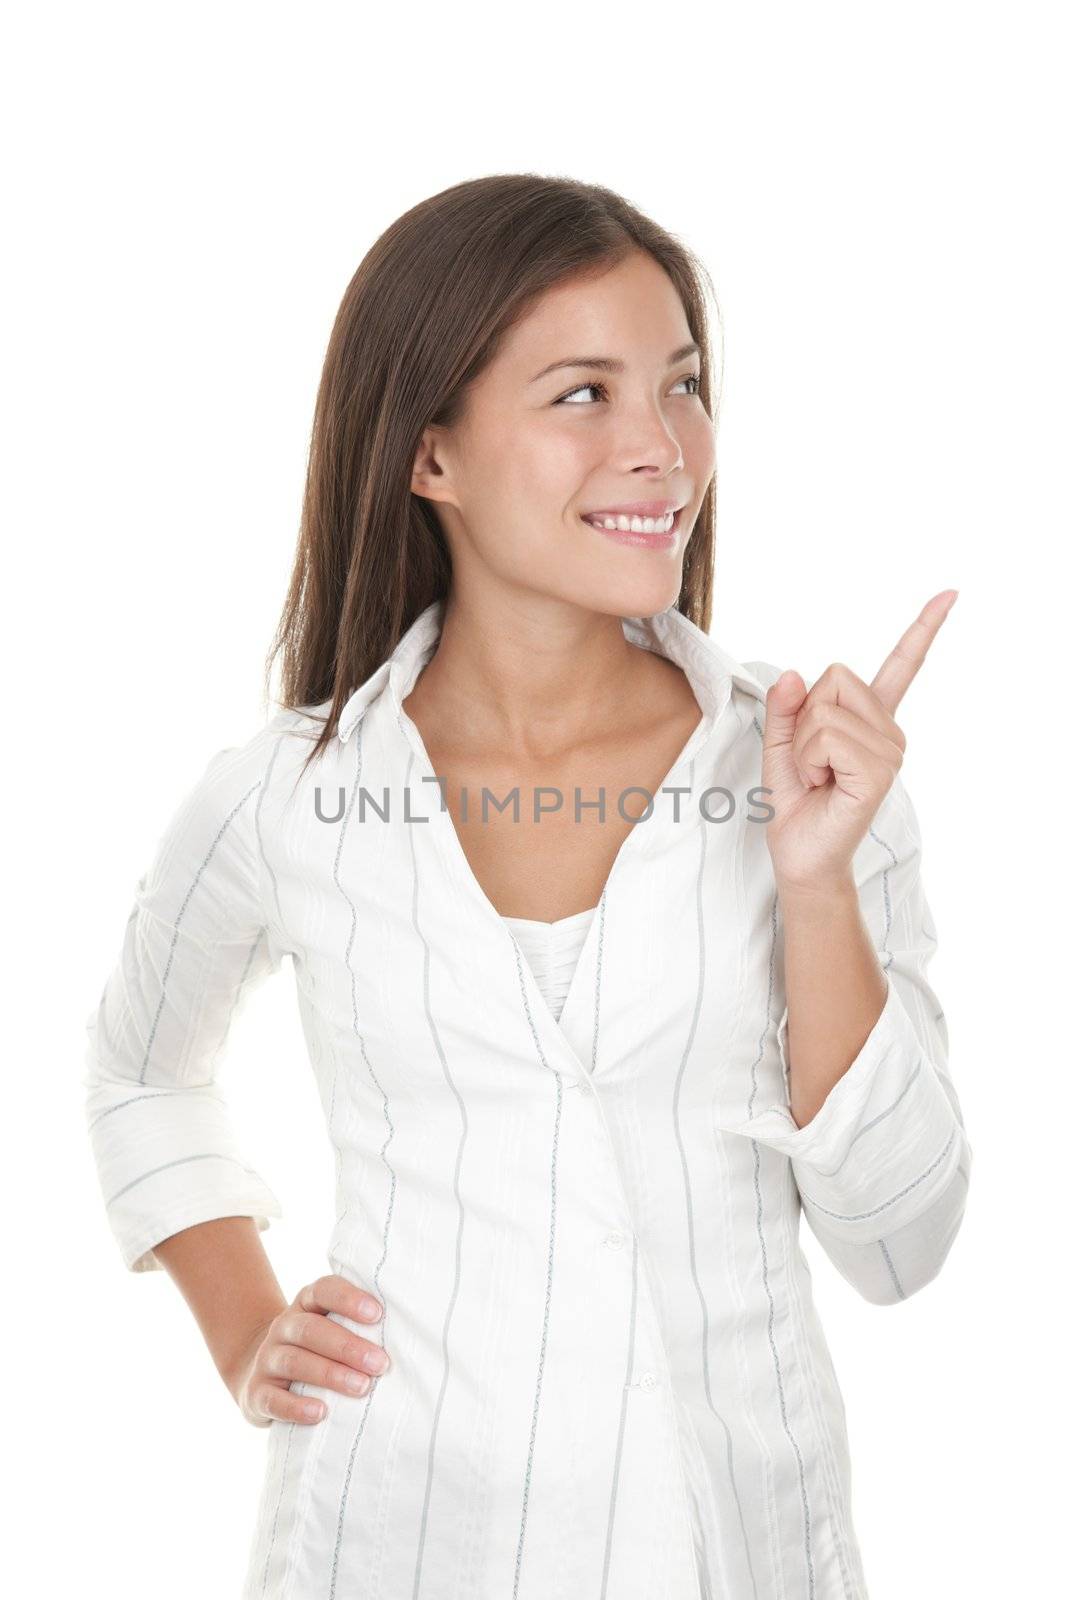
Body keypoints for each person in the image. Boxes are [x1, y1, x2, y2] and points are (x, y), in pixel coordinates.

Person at [83, 174, 972, 1600]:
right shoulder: (289, 795)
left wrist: (813, 886)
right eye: (582, 395)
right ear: (429, 455)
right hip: (390, 1539)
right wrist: (242, 1327)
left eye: (678, 386)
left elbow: (898, 1241)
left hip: (733, 1550)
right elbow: (139, 1070)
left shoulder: (812, 775)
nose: (661, 451)